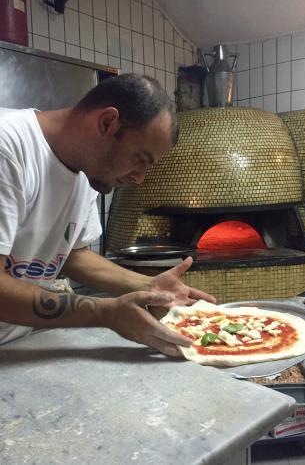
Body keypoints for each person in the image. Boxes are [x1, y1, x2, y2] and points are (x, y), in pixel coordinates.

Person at [0, 73, 215, 356]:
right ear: (107, 123)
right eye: (140, 159)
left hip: (17, 344)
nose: (139, 178)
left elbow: (72, 255)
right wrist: (105, 312)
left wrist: (150, 286)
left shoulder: (86, 171)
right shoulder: (9, 148)